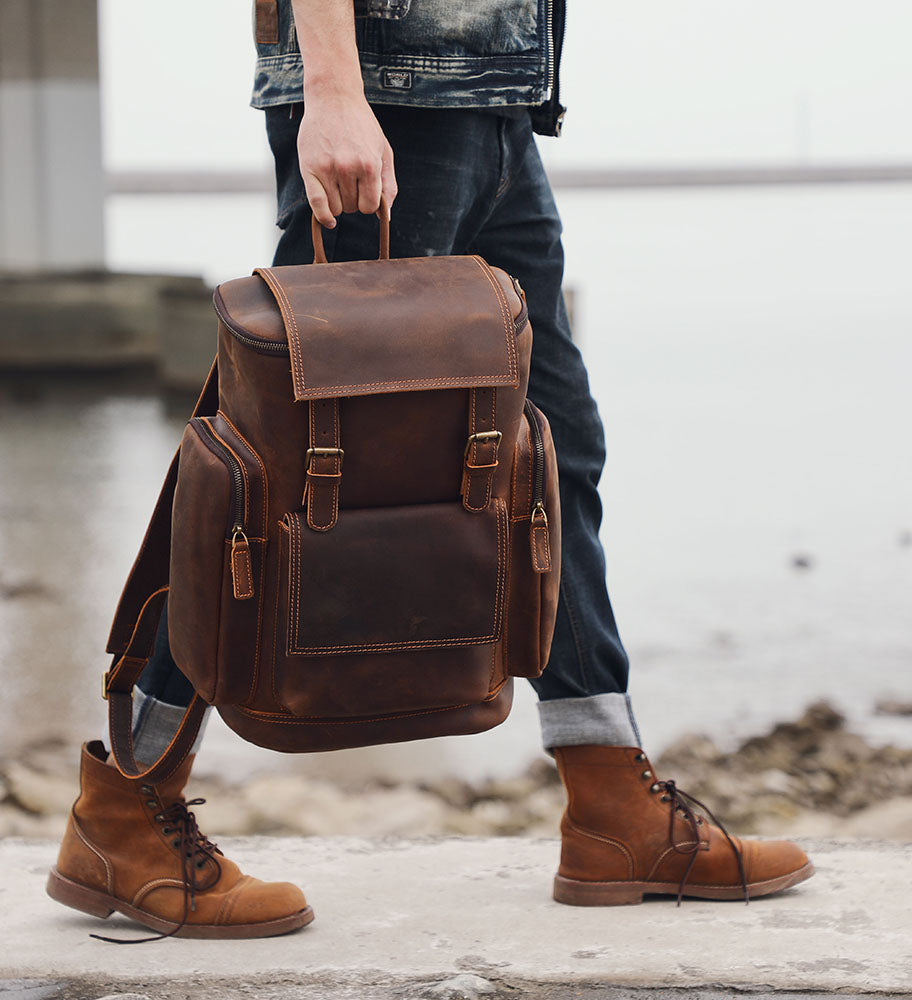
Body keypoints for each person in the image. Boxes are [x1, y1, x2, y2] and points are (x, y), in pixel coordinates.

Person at [47, 0, 814, 938]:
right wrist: (334, 90)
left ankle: (612, 802)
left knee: (555, 449)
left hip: (493, 103)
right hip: (387, 101)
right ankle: (125, 808)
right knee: (273, 470)